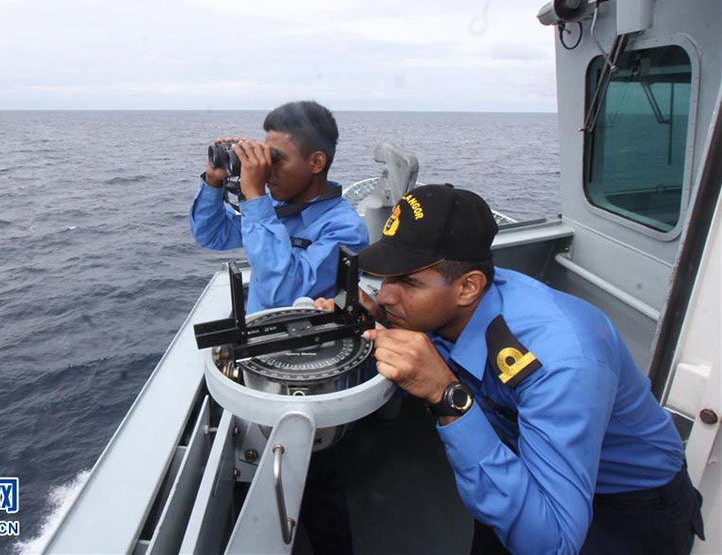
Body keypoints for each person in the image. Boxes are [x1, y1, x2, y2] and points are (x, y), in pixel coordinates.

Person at [318, 183, 705, 554]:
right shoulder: (449, 309)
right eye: (384, 277)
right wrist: (367, 329)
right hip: (521, 459)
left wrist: (448, 397)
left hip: (627, 502)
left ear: (469, 287)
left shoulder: (562, 361)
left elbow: (554, 542)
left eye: (407, 282)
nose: (384, 295)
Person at [189, 100, 369, 313]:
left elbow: (282, 295)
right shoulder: (276, 207)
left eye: (276, 159)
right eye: (265, 156)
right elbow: (212, 234)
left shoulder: (346, 229)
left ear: (316, 163)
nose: (267, 169)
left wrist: (255, 197)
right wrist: (214, 181)